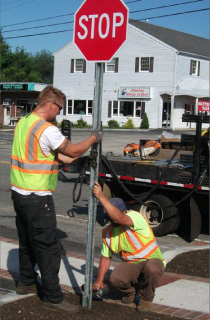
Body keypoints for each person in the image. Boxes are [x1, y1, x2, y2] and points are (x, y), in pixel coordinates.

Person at [10, 86, 103, 313]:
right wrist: (93, 138)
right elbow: (70, 151)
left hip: (19, 194)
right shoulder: (47, 129)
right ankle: (53, 296)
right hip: (37, 196)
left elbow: (55, 154)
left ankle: (26, 282)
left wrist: (72, 157)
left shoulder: (24, 123)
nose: (59, 113)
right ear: (50, 105)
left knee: (27, 242)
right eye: (59, 108)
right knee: (48, 247)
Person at [92, 181, 165, 313]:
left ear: (124, 211)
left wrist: (101, 196)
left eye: (112, 216)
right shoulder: (108, 232)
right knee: (115, 279)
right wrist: (99, 281)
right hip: (132, 263)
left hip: (151, 259)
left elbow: (119, 218)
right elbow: (105, 258)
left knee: (152, 269)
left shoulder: (135, 218)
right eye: (109, 217)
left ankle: (146, 300)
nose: (111, 221)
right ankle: (130, 292)